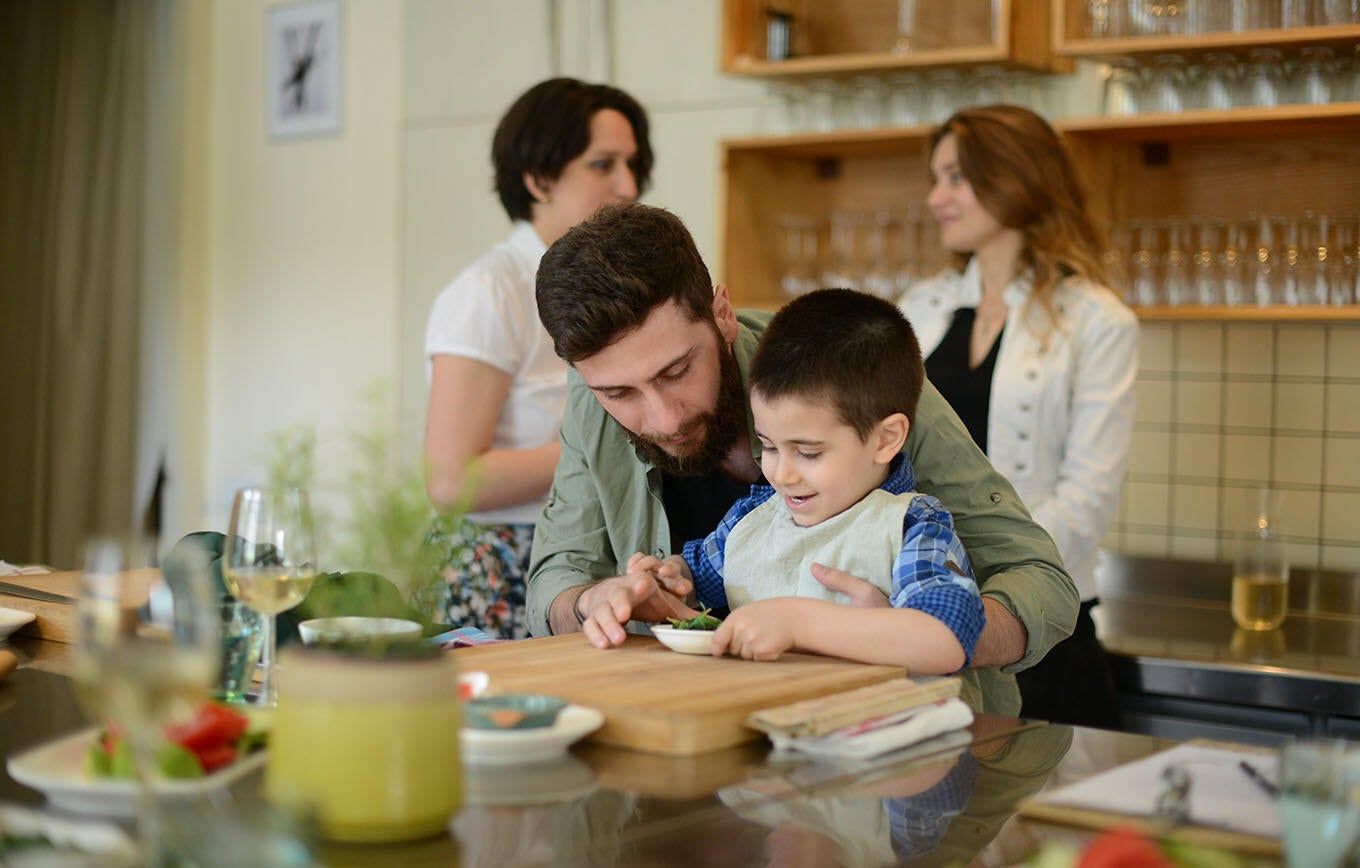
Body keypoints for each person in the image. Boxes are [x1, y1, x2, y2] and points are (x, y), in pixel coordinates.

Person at [527, 203, 1079, 716]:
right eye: (619, 394)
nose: (665, 419)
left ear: (721, 313)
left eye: (676, 373)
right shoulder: (589, 398)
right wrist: (599, 601)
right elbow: (555, 581)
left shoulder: (841, 377)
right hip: (708, 733)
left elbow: (1041, 581)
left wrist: (892, 635)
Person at [898, 104, 1138, 729]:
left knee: (1043, 823)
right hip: (919, 627)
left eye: (954, 177)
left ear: (1014, 178)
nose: (935, 197)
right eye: (935, 178)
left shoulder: (1098, 321)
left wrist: (975, 582)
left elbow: (1085, 503)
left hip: (1043, 633)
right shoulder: (915, 311)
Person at [627, 289, 986, 686]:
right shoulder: (754, 517)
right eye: (768, 446)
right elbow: (698, 578)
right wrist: (667, 577)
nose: (781, 474)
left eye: (809, 452)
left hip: (880, 737)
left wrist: (798, 623)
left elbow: (946, 638)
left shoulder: (910, 526)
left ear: (885, 440)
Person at [421, 78, 653, 638]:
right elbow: (451, 481)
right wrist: (614, 443)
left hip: (593, 560)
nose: (627, 185)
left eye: (632, 164)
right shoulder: (491, 290)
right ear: (538, 178)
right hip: (500, 563)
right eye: (603, 165)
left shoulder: (616, 286)